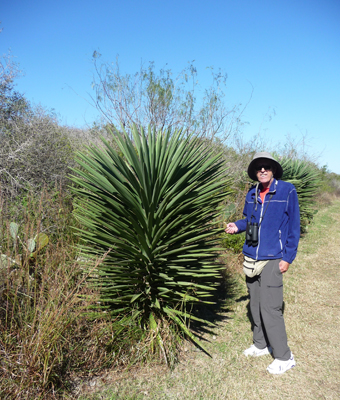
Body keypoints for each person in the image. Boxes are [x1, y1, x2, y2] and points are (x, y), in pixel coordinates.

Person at [225, 152, 300, 375]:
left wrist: (287, 257)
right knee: (255, 303)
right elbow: (248, 220)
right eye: (259, 168)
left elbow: (294, 226)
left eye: (267, 167)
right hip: (251, 257)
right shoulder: (252, 193)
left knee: (270, 307)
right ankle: (260, 344)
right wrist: (236, 226)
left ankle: (284, 357)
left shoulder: (287, 190)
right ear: (255, 172)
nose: (263, 170)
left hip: (273, 258)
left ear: (274, 170)